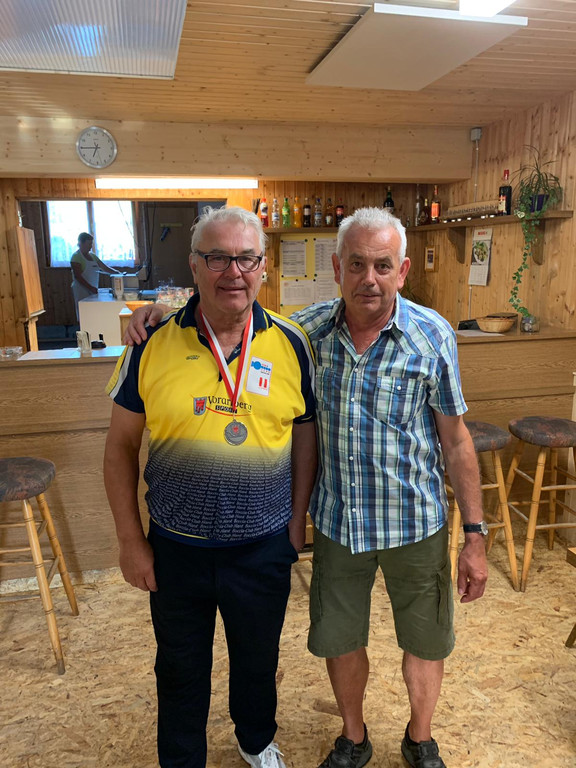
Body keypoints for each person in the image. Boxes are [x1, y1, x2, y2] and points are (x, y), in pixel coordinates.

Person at [124, 207, 488, 768]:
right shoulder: (308, 332)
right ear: (337, 268)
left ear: (402, 270)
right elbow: (229, 305)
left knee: (423, 639)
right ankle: (353, 737)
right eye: (357, 264)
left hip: (413, 520)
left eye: (383, 265)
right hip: (337, 525)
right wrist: (160, 310)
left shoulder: (430, 335)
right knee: (336, 640)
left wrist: (475, 534)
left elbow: (457, 441)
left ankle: (420, 739)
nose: (369, 278)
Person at [103, 206, 317, 768]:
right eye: (217, 258)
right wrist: (130, 541)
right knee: (179, 669)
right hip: (176, 547)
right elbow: (120, 447)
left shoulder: (293, 342)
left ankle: (256, 741)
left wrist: (297, 520)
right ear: (194, 266)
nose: (233, 272)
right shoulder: (150, 341)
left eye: (246, 258)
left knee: (257, 661)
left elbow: (305, 436)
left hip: (263, 546)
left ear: (263, 267)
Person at [70, 232, 122, 319]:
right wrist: (90, 288)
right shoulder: (76, 257)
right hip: (81, 289)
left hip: (93, 288)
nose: (91, 246)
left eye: (91, 244)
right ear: (81, 243)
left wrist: (117, 273)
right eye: (89, 244)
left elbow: (104, 267)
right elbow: (78, 276)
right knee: (83, 313)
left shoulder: (93, 256)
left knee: (93, 313)